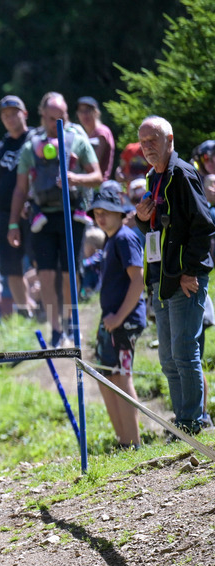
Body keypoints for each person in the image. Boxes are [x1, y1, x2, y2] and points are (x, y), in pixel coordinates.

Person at [134, 117, 215, 436]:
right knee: (168, 357)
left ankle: (195, 420)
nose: (147, 146)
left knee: (184, 350)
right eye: (143, 142)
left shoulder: (182, 173)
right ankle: (182, 421)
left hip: (183, 277)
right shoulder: (153, 177)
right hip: (160, 278)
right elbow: (157, 229)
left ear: (169, 138)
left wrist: (190, 271)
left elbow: (203, 225)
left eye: (153, 139)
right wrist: (142, 221)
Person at [8, 92, 102, 347]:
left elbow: (97, 176)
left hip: (73, 215)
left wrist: (74, 178)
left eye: (59, 118)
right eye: (51, 119)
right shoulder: (31, 146)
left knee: (70, 273)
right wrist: (14, 223)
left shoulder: (78, 140)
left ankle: (73, 324)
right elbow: (20, 188)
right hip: (42, 219)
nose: (55, 123)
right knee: (46, 276)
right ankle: (56, 331)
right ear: (42, 116)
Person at [89, 181, 146, 449]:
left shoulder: (124, 237)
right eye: (96, 212)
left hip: (124, 322)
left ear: (119, 213)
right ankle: (123, 441)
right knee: (106, 377)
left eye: (106, 211)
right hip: (112, 322)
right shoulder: (112, 240)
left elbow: (138, 280)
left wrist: (119, 318)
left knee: (123, 377)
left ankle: (133, 444)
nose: (100, 216)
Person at [0, 95, 32, 313]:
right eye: (5, 115)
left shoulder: (36, 140)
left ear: (25, 114)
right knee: (11, 267)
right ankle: (25, 311)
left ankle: (46, 304)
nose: (10, 118)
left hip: (32, 210)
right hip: (4, 212)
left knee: (42, 261)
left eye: (14, 113)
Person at [76, 96, 116, 180]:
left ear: (96, 112)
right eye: (81, 111)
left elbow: (93, 162)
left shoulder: (101, 132)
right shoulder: (88, 135)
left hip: (99, 187)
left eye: (87, 110)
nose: (84, 115)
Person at [80, 226, 107, 298]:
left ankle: (87, 292)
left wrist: (80, 264)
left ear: (92, 248)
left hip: (97, 282)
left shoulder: (99, 255)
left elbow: (89, 263)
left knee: (88, 272)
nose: (83, 249)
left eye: (84, 246)